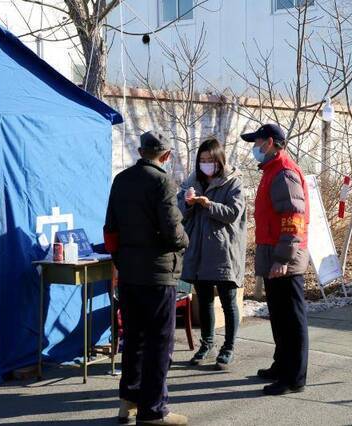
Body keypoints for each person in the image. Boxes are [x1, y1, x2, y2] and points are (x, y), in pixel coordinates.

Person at [104, 131, 189, 426]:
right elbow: (172, 230)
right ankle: (153, 411)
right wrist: (184, 239)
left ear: (141, 151)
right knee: (159, 343)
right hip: (158, 274)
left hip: (129, 273)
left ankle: (127, 401)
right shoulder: (163, 182)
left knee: (134, 339)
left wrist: (120, 261)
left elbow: (110, 229)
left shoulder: (121, 180)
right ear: (165, 156)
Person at [240, 123, 310, 396]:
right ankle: (282, 365)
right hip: (274, 254)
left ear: (269, 142)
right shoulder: (272, 171)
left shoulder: (284, 172)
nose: (254, 148)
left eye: (256, 143)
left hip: (285, 259)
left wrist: (283, 257)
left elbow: (293, 217)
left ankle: (294, 377)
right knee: (280, 316)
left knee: (292, 320)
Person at [178, 138, 247, 370]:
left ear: (220, 160)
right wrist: (188, 203)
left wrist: (208, 205)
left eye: (210, 160)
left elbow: (233, 213)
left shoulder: (233, 182)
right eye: (202, 160)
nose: (206, 164)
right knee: (204, 300)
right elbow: (179, 211)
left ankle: (229, 347)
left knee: (228, 301)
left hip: (223, 250)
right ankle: (207, 344)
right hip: (198, 249)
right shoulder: (192, 181)